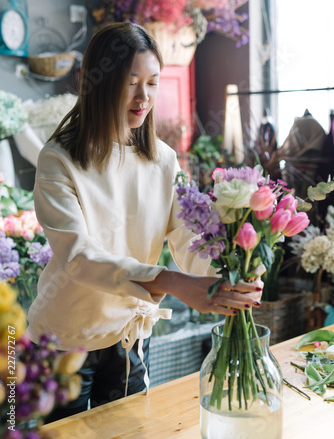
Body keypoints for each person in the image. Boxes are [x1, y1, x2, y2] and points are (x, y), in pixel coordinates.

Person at [27, 22, 264, 422]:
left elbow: (191, 240)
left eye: (152, 82)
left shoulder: (163, 160)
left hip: (130, 339)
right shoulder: (59, 160)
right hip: (64, 341)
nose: (144, 97)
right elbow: (78, 257)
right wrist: (171, 282)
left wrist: (231, 277)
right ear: (99, 84)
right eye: (131, 81)